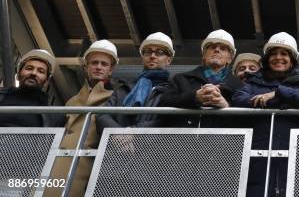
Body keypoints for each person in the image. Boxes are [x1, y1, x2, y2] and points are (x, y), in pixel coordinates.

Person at [232, 32, 299, 197]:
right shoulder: (255, 79)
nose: (278, 57)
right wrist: (285, 102)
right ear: (267, 58)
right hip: (257, 153)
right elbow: (239, 99)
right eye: (274, 53)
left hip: (295, 154)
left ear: (292, 59)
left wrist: (279, 93)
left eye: (284, 54)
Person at [45, 40, 118, 197]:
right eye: (94, 63)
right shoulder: (72, 101)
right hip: (57, 163)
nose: (98, 67)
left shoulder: (117, 99)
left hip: (90, 168)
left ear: (111, 70)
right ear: (86, 67)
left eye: (104, 64)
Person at [97, 32, 173, 133]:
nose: (152, 56)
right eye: (147, 51)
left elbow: (167, 120)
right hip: (118, 146)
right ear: (142, 58)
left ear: (169, 60)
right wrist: (119, 134)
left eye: (159, 52)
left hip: (152, 146)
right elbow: (102, 115)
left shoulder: (173, 90)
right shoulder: (124, 89)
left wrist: (134, 132)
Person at [159, 29, 236, 127]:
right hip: (184, 140)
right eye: (212, 47)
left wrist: (226, 106)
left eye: (223, 48)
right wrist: (194, 97)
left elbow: (249, 121)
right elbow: (163, 105)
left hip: (225, 141)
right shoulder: (180, 79)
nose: (217, 50)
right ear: (204, 55)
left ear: (230, 58)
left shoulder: (240, 85)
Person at [0, 49, 62, 127]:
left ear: (46, 82)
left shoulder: (53, 116)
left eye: (40, 71)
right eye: (29, 68)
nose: (33, 73)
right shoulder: (1, 96)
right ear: (18, 74)